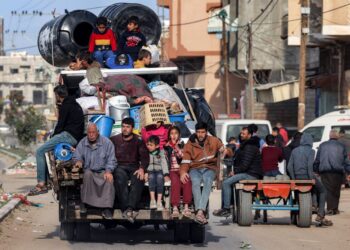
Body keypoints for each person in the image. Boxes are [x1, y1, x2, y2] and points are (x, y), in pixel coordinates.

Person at [29, 85, 84, 196]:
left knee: (39, 151)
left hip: (67, 136)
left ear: (58, 95)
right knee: (46, 152)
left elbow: (60, 125)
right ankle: (47, 182)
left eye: (55, 95)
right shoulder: (76, 104)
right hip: (75, 137)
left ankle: (41, 183)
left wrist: (53, 136)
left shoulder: (66, 105)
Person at [180, 122, 232, 224]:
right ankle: (200, 212)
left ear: (206, 132)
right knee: (195, 181)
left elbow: (227, 151)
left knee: (208, 181)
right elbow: (185, 160)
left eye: (202, 132)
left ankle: (200, 211)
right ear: (195, 132)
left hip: (210, 168)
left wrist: (226, 151)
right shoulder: (190, 143)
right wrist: (183, 172)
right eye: (198, 132)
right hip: (195, 168)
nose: (200, 134)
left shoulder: (214, 141)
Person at [213, 127, 263, 217]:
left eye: (244, 134)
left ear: (249, 135)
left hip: (251, 174)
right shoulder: (245, 145)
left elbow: (245, 165)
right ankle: (227, 206)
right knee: (227, 181)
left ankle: (226, 209)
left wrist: (235, 172)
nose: (241, 135)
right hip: (247, 172)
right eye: (241, 133)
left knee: (226, 183)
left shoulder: (250, 147)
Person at [287, 133, 333, 226]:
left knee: (315, 187)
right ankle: (320, 214)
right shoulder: (311, 151)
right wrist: (311, 179)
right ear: (310, 141)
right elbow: (309, 166)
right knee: (323, 190)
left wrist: (294, 178)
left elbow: (289, 167)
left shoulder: (294, 150)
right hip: (307, 176)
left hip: (297, 177)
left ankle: (314, 205)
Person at [73, 123, 116, 219]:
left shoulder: (107, 142)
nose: (91, 135)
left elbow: (112, 159)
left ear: (98, 132)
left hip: (103, 171)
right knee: (87, 175)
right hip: (90, 171)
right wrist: (78, 161)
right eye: (89, 133)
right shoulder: (82, 142)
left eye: (93, 132)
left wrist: (108, 171)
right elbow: (77, 155)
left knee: (109, 179)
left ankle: (107, 209)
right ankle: (84, 204)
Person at [110, 117, 149, 223]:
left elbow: (145, 157)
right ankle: (125, 208)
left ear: (132, 128)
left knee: (139, 178)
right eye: (123, 126)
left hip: (134, 166)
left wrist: (142, 169)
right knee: (119, 178)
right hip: (119, 166)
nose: (125, 129)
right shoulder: (114, 140)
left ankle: (130, 208)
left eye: (128, 127)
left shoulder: (139, 140)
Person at [314, 130, 350, 215]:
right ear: (337, 137)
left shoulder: (322, 145)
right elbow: (346, 161)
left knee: (327, 190)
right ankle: (333, 208)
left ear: (330, 136)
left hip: (325, 171)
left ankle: (330, 208)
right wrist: (348, 170)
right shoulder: (341, 146)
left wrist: (316, 170)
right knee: (336, 190)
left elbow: (317, 159)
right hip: (338, 171)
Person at [164, 126, 192, 218]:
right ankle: (175, 206)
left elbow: (182, 157)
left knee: (186, 181)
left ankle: (186, 206)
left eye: (176, 133)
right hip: (172, 170)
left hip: (181, 169)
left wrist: (177, 147)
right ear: (169, 136)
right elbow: (165, 160)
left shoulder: (183, 145)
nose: (174, 136)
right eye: (172, 134)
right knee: (175, 183)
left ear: (179, 135)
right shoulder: (166, 146)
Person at [144, 135, 170, 211]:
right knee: (151, 178)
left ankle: (159, 201)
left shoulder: (161, 153)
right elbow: (143, 163)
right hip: (150, 171)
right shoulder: (146, 153)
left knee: (160, 178)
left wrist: (166, 174)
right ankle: (152, 200)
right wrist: (145, 172)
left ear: (157, 145)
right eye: (147, 144)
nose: (148, 146)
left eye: (151, 145)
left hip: (159, 171)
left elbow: (164, 163)